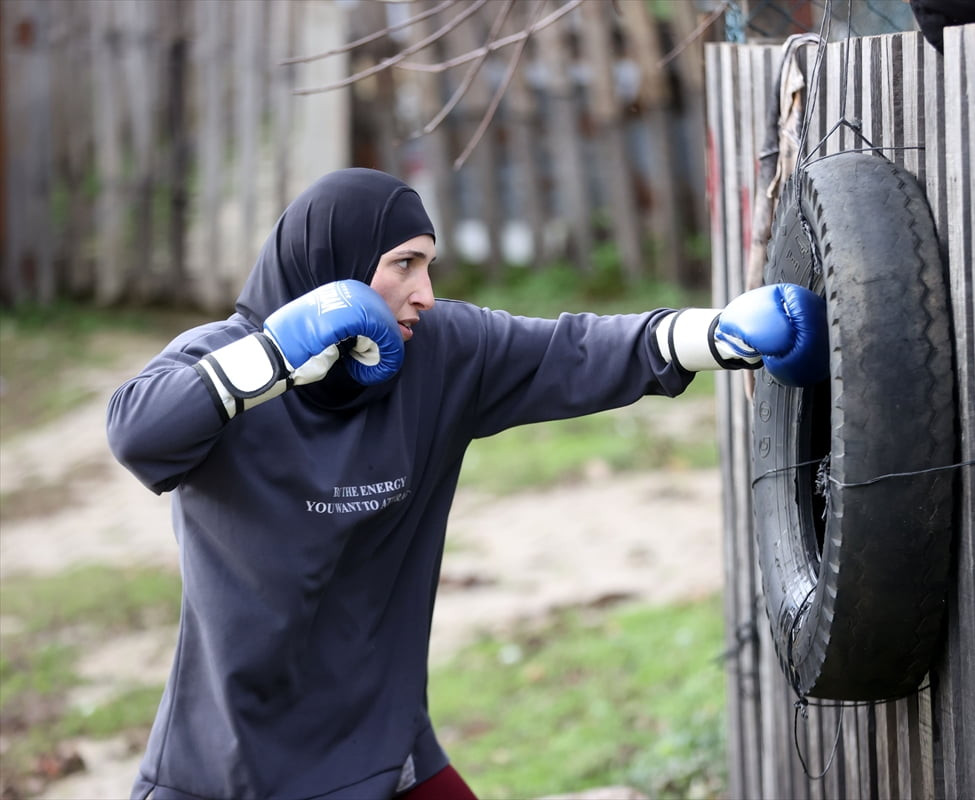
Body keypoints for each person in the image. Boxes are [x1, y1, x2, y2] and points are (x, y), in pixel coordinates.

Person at [106, 167, 827, 800]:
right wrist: (271, 358)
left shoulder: (440, 355)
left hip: (381, 746)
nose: (423, 292)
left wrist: (721, 334)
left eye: (429, 266)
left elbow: (577, 349)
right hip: (232, 763)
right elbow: (138, 433)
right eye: (403, 265)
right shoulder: (218, 358)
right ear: (336, 271)